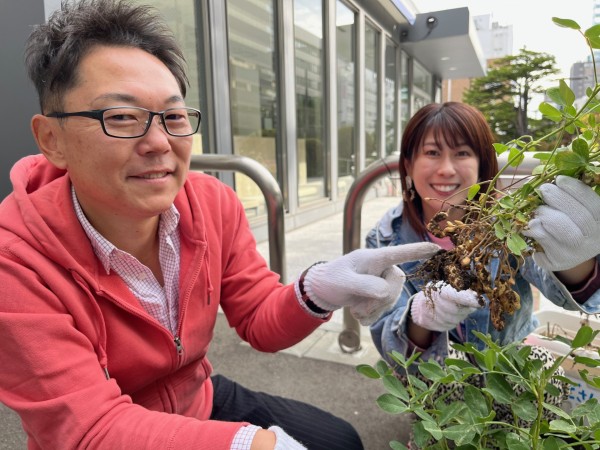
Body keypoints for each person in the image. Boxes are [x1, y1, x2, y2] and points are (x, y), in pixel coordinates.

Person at [0, 1, 441, 449]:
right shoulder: (14, 263)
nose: (158, 143)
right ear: (51, 139)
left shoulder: (211, 203)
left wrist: (316, 289)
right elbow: (87, 429)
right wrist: (249, 445)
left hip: (197, 394)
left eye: (173, 117)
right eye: (121, 117)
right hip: (108, 435)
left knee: (340, 440)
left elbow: (257, 320)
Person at [366, 102, 600, 410]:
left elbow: (571, 294)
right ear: (408, 164)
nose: (446, 168)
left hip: (513, 373)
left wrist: (575, 256)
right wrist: (419, 317)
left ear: (482, 165)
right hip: (434, 384)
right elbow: (387, 339)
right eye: (432, 152)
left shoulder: (510, 222)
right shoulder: (384, 238)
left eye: (462, 153)